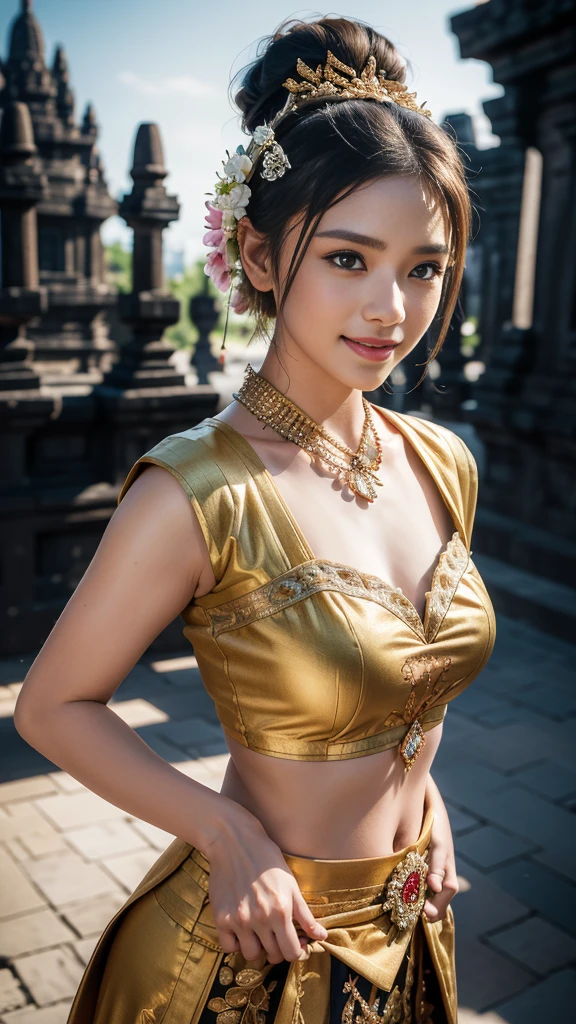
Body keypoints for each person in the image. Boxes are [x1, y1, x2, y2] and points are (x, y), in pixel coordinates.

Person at [14, 16, 496, 1024]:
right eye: (349, 258)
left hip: (416, 927)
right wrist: (223, 833)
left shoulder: (439, 460)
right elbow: (50, 705)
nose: (392, 311)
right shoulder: (198, 490)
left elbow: (412, 685)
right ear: (260, 255)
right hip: (254, 951)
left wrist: (428, 803)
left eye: (423, 267)